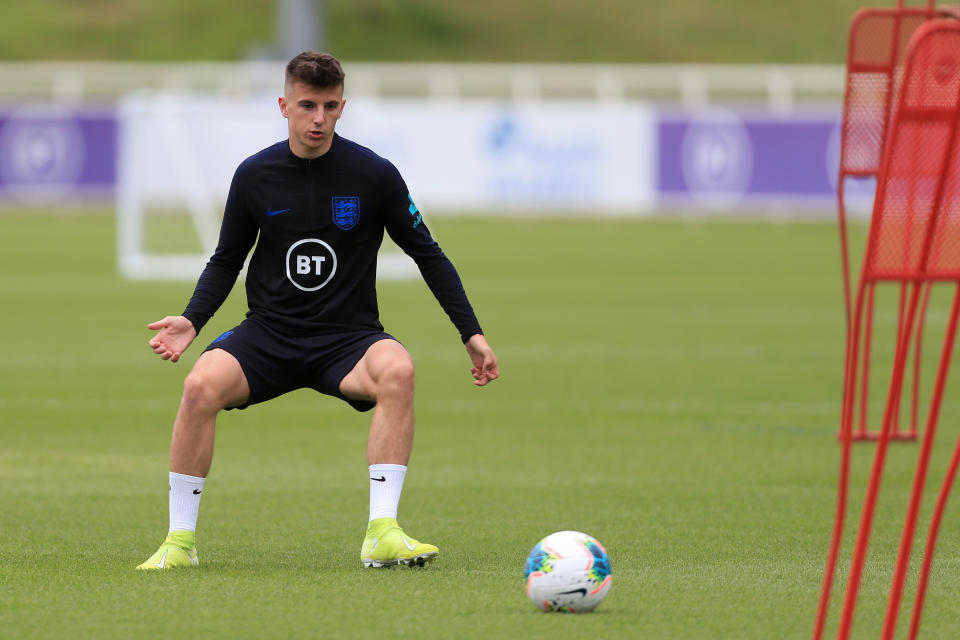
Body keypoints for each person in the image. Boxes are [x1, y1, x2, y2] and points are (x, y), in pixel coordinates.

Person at [136, 51, 499, 570]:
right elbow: (226, 259)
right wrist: (192, 320)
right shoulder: (254, 175)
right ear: (283, 105)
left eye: (330, 107)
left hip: (347, 339)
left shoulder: (373, 174)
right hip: (268, 336)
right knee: (198, 387)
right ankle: (178, 544)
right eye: (307, 106)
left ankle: (382, 532)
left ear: (343, 106)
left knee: (398, 369)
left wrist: (472, 332)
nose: (318, 119)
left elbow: (428, 253)